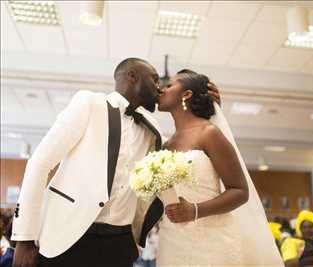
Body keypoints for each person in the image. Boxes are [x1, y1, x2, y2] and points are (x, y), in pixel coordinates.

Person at [10, 58, 220, 267]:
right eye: (154, 79)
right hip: (67, 236)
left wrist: (204, 107)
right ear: (132, 76)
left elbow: (183, 153)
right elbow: (39, 163)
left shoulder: (153, 129)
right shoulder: (89, 104)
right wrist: (24, 239)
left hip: (119, 247)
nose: (159, 87)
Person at [155, 69, 283, 266]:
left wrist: (194, 210)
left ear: (186, 95)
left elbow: (240, 191)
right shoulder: (166, 145)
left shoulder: (208, 133)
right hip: (172, 241)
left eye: (169, 85)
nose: (162, 90)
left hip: (210, 241)